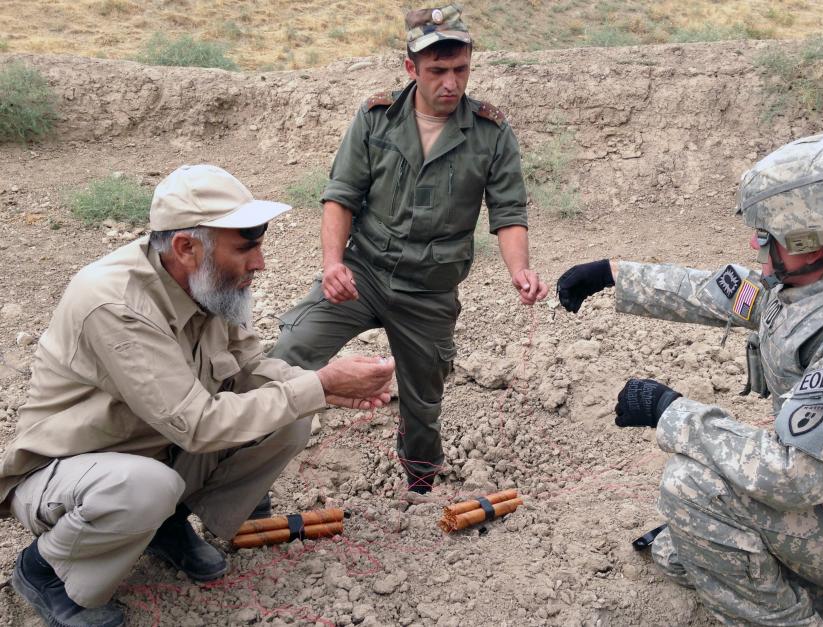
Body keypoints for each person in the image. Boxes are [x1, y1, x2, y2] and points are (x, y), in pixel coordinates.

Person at [557, 133, 823, 625]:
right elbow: (729, 294)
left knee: (693, 490)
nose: (755, 243)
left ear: (806, 239)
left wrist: (668, 409)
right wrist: (614, 274)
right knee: (683, 549)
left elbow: (795, 474)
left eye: (765, 234)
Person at [0, 164, 396, 627]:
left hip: (154, 452)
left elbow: (250, 368)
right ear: (187, 247)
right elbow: (198, 424)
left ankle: (166, 524)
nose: (260, 263)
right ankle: (45, 570)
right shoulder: (115, 303)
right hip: (71, 473)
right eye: (245, 248)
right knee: (148, 487)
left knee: (290, 414)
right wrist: (321, 385)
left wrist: (325, 387)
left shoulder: (206, 283)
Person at [269, 5, 548, 494]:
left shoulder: (491, 132)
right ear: (411, 68)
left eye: (460, 69)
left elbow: (508, 212)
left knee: (423, 403)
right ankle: (250, 479)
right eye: (437, 71)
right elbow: (341, 196)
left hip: (429, 290)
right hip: (362, 274)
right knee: (289, 354)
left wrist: (519, 270)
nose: (451, 83)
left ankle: (420, 486)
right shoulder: (376, 118)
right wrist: (332, 264)